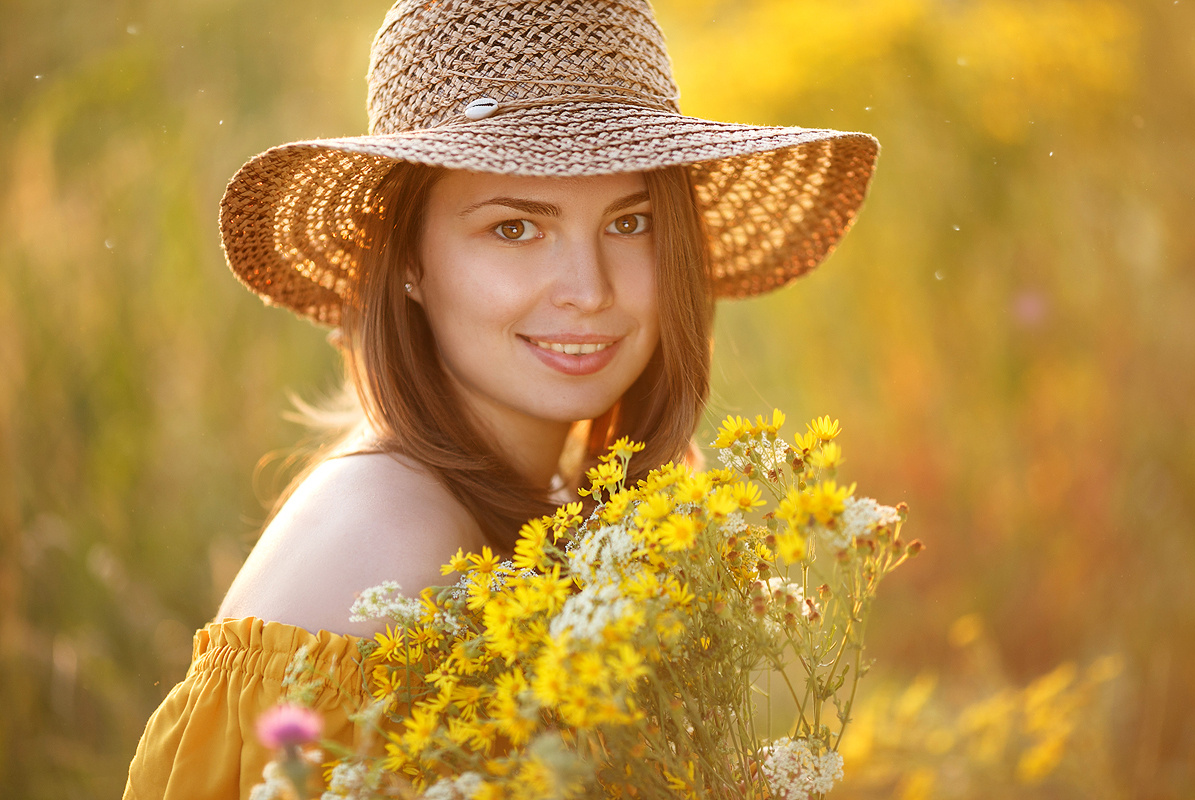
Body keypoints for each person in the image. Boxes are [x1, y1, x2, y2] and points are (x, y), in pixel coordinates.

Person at [123, 0, 878, 797]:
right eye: (516, 229)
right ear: (407, 258)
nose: (589, 292)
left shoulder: (548, 500)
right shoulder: (386, 531)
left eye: (632, 222)